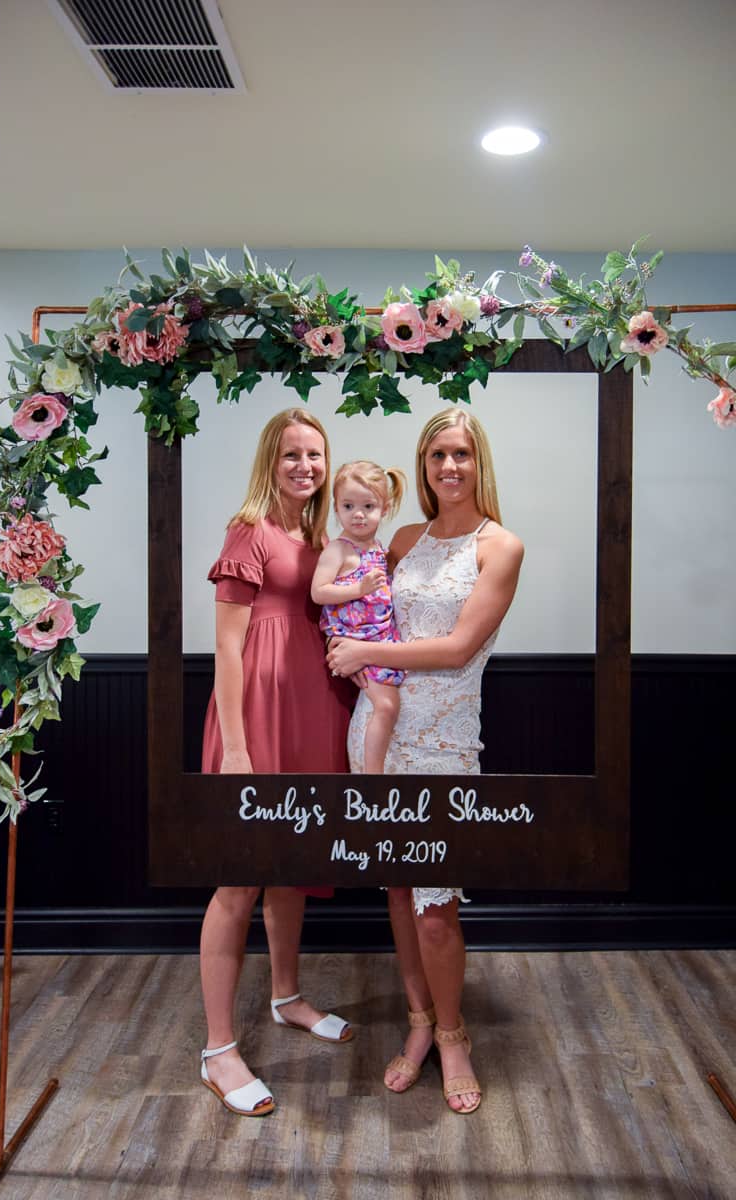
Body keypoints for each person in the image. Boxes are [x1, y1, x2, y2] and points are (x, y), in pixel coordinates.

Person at [327, 408, 524, 1114]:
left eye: (462, 455)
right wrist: (349, 653)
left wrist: (367, 653)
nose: (449, 467)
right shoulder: (402, 538)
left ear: (479, 463)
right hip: (378, 732)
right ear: (422, 464)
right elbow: (357, 610)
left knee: (437, 907)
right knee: (398, 893)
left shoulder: (499, 546)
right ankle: (416, 1026)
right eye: (438, 454)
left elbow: (457, 648)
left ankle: (453, 1034)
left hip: (444, 741)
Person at [199, 408, 354, 1118]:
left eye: (315, 455)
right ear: (272, 459)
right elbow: (227, 648)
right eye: (292, 454)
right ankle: (219, 1050)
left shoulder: (325, 535)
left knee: (294, 861)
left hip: (315, 709)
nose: (305, 466)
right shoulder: (248, 530)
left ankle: (287, 995)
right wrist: (236, 748)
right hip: (256, 715)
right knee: (239, 880)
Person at [311, 460, 407, 773]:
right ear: (336, 508)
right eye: (348, 506)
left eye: (368, 506)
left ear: (385, 508)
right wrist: (358, 588)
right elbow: (319, 592)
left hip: (380, 639)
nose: (359, 514)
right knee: (387, 705)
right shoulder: (339, 550)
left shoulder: (379, 548)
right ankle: (373, 773)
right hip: (357, 639)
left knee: (392, 704)